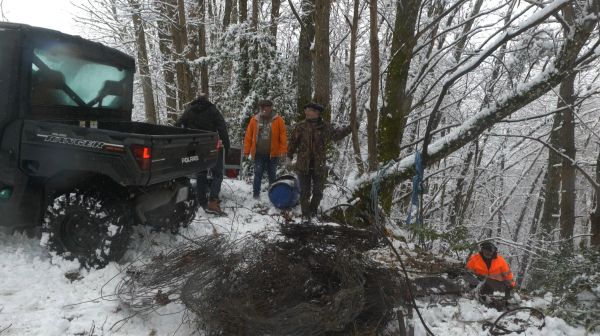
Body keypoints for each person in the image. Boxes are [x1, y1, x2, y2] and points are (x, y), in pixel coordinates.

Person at [287, 103, 351, 218]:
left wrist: (350, 128)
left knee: (318, 192)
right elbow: (292, 143)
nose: (306, 111)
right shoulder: (300, 126)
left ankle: (313, 212)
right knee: (304, 193)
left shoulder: (325, 126)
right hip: (303, 165)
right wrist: (289, 157)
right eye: (306, 109)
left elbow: (336, 136)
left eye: (309, 110)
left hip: (319, 165)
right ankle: (306, 216)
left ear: (317, 112)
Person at [175, 92, 230, 215]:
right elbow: (222, 127)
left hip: (196, 146)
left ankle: (201, 200)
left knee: (201, 172)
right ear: (206, 100)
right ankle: (213, 202)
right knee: (217, 174)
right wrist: (227, 145)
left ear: (197, 100)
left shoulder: (189, 110)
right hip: (210, 145)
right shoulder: (212, 110)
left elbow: (179, 125)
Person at [243, 100, 288, 199]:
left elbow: (283, 137)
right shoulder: (255, 120)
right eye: (262, 107)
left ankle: (273, 195)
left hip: (273, 154)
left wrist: (283, 151)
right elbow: (248, 136)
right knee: (258, 174)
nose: (264, 108)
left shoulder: (278, 120)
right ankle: (256, 195)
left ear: (271, 107)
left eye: (266, 106)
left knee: (272, 175)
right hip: (259, 153)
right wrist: (246, 151)